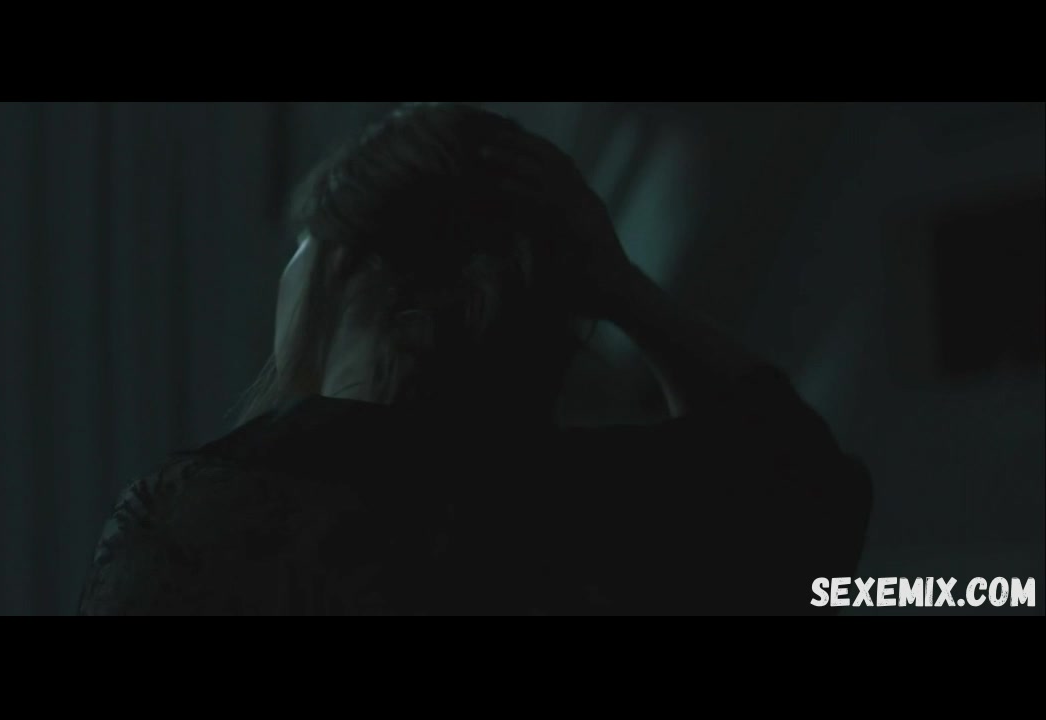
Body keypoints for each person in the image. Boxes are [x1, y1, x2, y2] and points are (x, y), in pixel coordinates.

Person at [78, 103, 872, 615]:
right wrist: (623, 286)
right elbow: (805, 488)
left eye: (302, 239)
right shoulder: (608, 509)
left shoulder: (195, 518)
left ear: (344, 263)